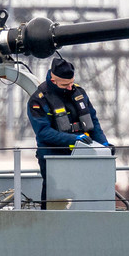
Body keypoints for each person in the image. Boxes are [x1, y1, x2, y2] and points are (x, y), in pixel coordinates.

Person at [26, 57, 113, 209]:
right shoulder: (38, 101)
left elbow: (93, 121)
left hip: (83, 153)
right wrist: (74, 139)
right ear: (53, 80)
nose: (70, 87)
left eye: (72, 82)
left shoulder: (79, 93)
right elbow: (44, 133)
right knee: (55, 195)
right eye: (65, 84)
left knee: (87, 192)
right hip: (53, 156)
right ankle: (50, 222)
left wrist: (103, 145)